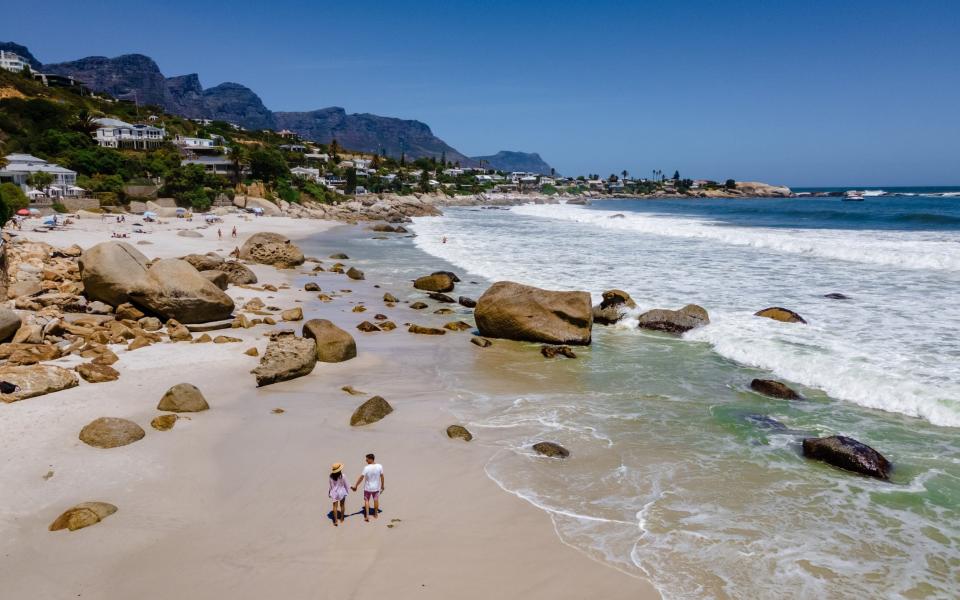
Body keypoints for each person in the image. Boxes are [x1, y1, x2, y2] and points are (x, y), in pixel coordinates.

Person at [351, 453, 384, 522]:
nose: (366, 460)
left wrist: (356, 485)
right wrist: (382, 485)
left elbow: (361, 477)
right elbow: (382, 476)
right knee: (376, 500)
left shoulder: (366, 468)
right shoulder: (379, 466)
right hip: (376, 488)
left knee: (366, 500)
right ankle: (375, 514)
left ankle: (367, 516)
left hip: (368, 488)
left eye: (367, 459)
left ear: (371, 459)